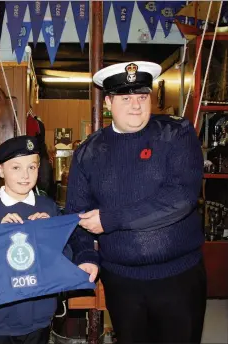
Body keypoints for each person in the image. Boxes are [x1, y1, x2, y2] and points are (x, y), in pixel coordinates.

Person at [65, 61, 207, 344]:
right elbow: (76, 214)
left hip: (178, 277)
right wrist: (86, 256)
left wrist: (110, 219)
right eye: (125, 98)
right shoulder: (88, 152)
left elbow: (181, 197)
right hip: (121, 282)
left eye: (142, 97)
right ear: (108, 102)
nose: (136, 106)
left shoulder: (176, 134)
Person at [0, 135, 99, 344]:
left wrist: (47, 235)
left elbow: (63, 256)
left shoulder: (48, 207)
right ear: (0, 170)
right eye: (16, 168)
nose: (25, 175)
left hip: (38, 315)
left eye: (32, 167)